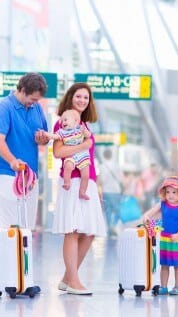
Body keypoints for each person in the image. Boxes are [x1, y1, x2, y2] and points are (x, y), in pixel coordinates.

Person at [51, 82, 107, 296]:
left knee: (90, 231)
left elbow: (91, 159)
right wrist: (83, 145)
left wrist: (96, 186)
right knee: (72, 230)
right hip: (71, 181)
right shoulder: (64, 122)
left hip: (88, 181)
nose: (82, 100)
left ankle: (67, 278)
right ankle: (73, 280)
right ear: (70, 97)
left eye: (86, 97)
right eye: (78, 96)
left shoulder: (85, 125)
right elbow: (58, 152)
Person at [0, 72, 51, 231]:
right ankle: (8, 257)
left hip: (30, 176)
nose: (34, 103)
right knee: (9, 228)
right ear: (23, 90)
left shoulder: (36, 107)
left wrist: (42, 139)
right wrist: (12, 161)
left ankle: (25, 257)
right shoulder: (4, 107)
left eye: (37, 100)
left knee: (26, 228)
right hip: (7, 173)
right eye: (32, 99)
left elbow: (45, 136)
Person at [142, 176, 178, 296]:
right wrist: (146, 216)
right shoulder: (162, 204)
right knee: (164, 265)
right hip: (165, 239)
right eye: (168, 192)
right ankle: (163, 286)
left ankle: (177, 287)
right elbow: (151, 213)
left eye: (174, 192)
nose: (170, 195)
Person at [50, 108, 91, 200]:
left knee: (86, 175)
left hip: (82, 155)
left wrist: (85, 132)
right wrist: (48, 136)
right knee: (68, 166)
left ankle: (82, 192)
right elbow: (55, 136)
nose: (63, 122)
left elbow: (88, 136)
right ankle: (67, 182)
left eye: (65, 120)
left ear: (76, 121)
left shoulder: (80, 129)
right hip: (71, 155)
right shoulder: (62, 132)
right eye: (62, 120)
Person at [98, 148, 123, 237]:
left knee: (107, 210)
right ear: (111, 155)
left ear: (104, 156)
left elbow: (101, 180)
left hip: (106, 191)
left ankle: (109, 228)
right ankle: (114, 225)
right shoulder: (116, 166)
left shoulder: (102, 166)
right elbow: (121, 179)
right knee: (117, 210)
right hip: (116, 191)